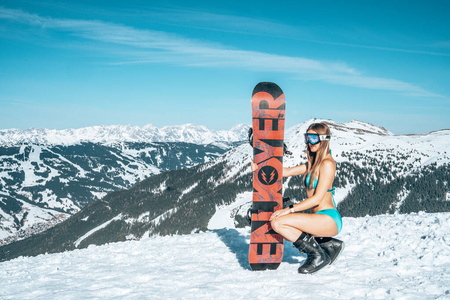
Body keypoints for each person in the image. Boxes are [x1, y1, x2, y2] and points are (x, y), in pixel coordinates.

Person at [251, 122, 344, 274]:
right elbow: (286, 172)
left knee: (278, 223)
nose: (309, 142)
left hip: (328, 218)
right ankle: (328, 244)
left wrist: (289, 210)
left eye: (314, 138)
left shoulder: (327, 164)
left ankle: (317, 255)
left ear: (324, 139)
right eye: (307, 137)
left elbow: (317, 199)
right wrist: (260, 166)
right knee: (283, 227)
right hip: (317, 218)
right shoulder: (314, 163)